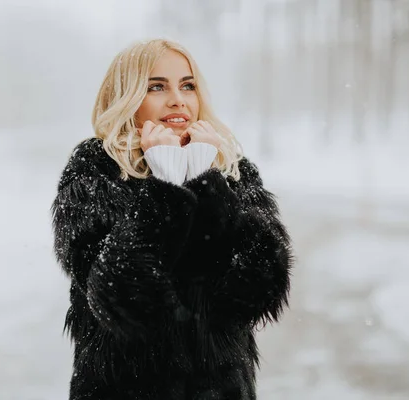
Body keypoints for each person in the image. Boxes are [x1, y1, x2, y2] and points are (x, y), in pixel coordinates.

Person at [50, 38, 293, 400]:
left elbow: (259, 289)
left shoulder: (232, 170)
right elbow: (121, 298)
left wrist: (205, 182)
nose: (178, 99)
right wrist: (163, 190)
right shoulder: (95, 171)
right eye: (157, 86)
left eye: (188, 85)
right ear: (127, 97)